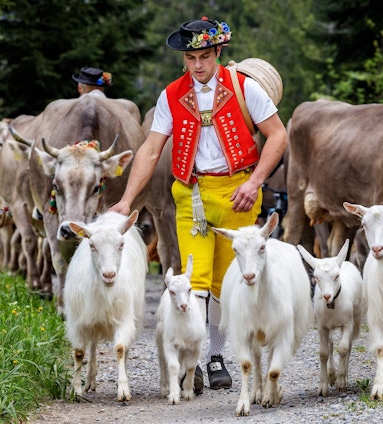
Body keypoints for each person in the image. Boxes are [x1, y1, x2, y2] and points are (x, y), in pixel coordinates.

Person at [109, 17, 288, 393]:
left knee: (228, 279)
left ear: (218, 52)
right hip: (191, 194)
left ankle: (217, 355)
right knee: (195, 278)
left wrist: (256, 182)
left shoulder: (245, 89)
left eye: (204, 57)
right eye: (190, 58)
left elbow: (278, 136)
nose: (197, 66)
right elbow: (151, 148)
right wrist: (126, 200)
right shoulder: (171, 95)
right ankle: (199, 358)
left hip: (238, 191)